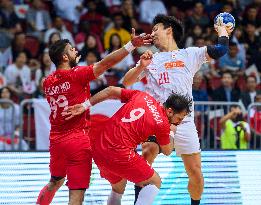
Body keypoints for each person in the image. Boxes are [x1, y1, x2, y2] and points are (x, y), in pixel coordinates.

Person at [122, 14, 231, 205]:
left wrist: (223, 32)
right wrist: (141, 66)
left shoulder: (190, 54)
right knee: (146, 155)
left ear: (169, 30)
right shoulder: (151, 58)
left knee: (196, 173)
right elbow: (127, 81)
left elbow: (221, 49)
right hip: (156, 119)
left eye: (156, 29)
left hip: (184, 121)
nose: (152, 34)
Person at [36, 30, 152, 205]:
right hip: (77, 140)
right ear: (65, 57)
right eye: (71, 49)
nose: (76, 50)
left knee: (55, 181)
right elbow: (107, 63)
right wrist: (131, 45)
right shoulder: (77, 74)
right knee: (76, 194)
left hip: (56, 140)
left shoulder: (47, 82)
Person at [62, 85, 192, 205]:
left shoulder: (142, 96)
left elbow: (111, 90)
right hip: (120, 153)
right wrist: (172, 131)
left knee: (118, 187)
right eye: (179, 119)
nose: (179, 122)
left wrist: (85, 105)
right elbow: (168, 151)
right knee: (155, 181)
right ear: (169, 111)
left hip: (99, 148)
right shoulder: (163, 124)